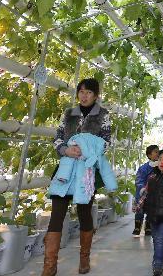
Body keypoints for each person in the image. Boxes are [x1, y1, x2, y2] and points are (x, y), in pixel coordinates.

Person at [43, 78, 112, 276]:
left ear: (96, 95)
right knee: (56, 214)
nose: (84, 95)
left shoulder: (103, 115)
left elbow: (106, 143)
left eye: (88, 92)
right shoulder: (68, 114)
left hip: (87, 171)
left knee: (84, 212)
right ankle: (49, 266)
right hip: (65, 169)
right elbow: (56, 138)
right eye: (81, 91)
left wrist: (85, 151)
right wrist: (65, 149)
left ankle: (84, 257)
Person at [136, 150, 163, 276]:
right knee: (155, 239)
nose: (162, 162)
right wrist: (138, 206)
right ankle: (159, 261)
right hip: (152, 215)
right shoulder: (152, 177)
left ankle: (158, 263)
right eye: (160, 159)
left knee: (161, 239)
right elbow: (145, 194)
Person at [135, 144, 161, 237]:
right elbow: (139, 179)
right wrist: (142, 188)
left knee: (151, 210)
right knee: (140, 210)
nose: (158, 154)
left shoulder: (160, 167)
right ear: (149, 155)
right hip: (143, 193)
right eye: (156, 152)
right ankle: (137, 227)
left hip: (154, 193)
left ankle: (148, 227)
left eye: (158, 152)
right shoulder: (144, 168)